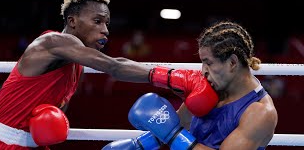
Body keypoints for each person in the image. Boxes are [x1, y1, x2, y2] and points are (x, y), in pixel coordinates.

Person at [0, 0, 157, 150]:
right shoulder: (53, 41)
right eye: (97, 21)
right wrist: (168, 76)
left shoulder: (77, 66)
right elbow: (114, 66)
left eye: (107, 23)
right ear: (72, 21)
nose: (105, 30)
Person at [103, 21, 278, 150]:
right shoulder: (210, 87)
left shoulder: (260, 113)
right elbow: (177, 123)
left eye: (208, 63)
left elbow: (173, 132)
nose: (203, 71)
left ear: (232, 62)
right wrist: (139, 145)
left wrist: (173, 134)